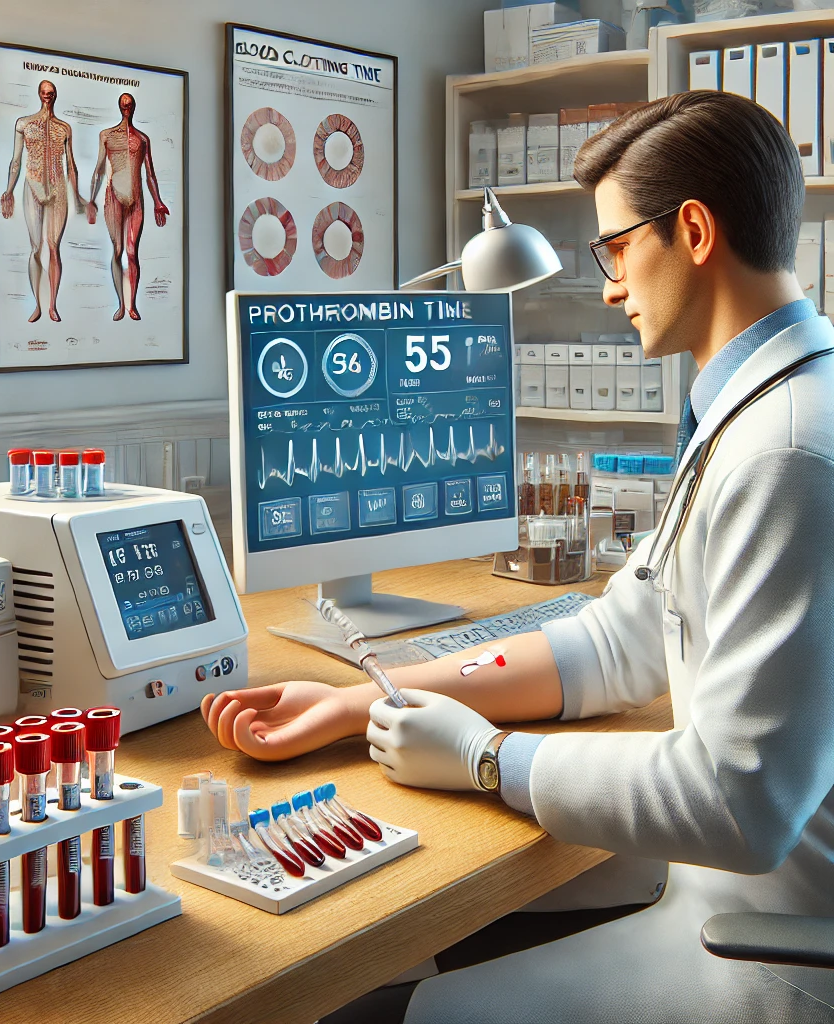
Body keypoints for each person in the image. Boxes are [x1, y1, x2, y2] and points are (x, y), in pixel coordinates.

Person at [202, 91, 834, 1021]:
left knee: (376, 1010)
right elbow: (619, 640)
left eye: (616, 247)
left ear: (693, 230)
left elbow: (740, 802)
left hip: (764, 954)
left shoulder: (785, 451)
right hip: (727, 899)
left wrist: (491, 759)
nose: (611, 285)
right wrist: (357, 701)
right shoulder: (760, 409)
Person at [0, 79, 85, 324]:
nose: (47, 96)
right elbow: (15, 160)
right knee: (36, 247)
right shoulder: (24, 124)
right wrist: (9, 190)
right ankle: (37, 304)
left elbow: (71, 164)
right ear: (39, 94)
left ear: (55, 95)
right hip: (33, 185)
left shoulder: (64, 128)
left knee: (54, 246)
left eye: (51, 92)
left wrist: (77, 196)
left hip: (57, 187)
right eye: (44, 92)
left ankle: (52, 305)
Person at [86, 92, 169, 322]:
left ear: (134, 107)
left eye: (130, 105)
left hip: (136, 198)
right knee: (118, 250)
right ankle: (120, 305)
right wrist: (91, 199)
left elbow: (150, 173)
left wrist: (158, 202)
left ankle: (131, 305)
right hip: (114, 197)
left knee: (132, 252)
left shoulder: (142, 139)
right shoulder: (107, 136)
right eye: (123, 105)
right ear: (119, 107)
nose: (126, 109)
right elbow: (99, 169)